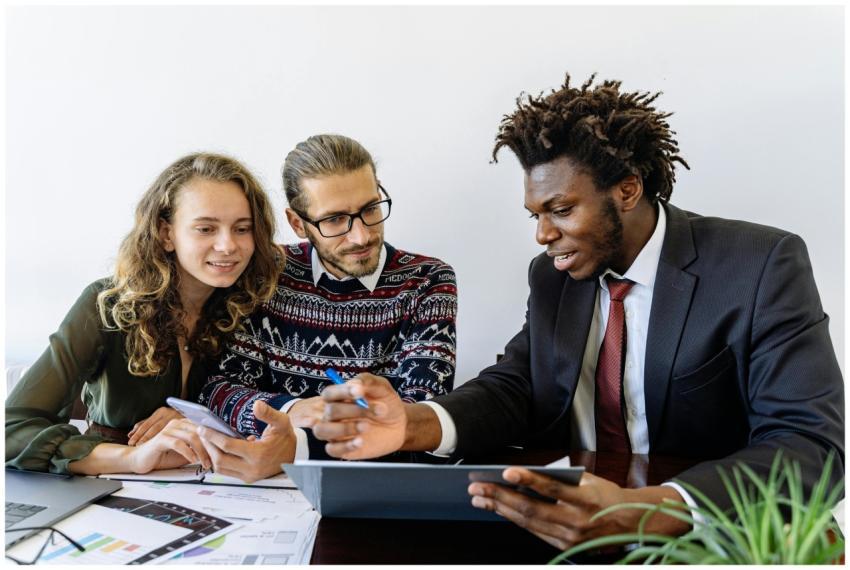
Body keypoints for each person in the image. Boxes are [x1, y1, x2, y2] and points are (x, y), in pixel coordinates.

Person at [308, 75, 845, 550]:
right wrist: (413, 425)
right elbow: (517, 386)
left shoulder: (760, 265)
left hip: (704, 538)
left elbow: (810, 444)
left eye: (561, 210)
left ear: (628, 190)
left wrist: (652, 510)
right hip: (560, 529)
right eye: (536, 215)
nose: (543, 235)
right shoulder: (553, 276)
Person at [195, 134, 458, 481]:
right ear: (298, 224)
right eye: (334, 220)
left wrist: (294, 445)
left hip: (378, 486)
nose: (361, 236)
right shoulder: (265, 273)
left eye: (370, 209)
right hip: (271, 486)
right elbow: (218, 390)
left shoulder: (428, 281)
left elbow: (420, 419)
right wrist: (293, 409)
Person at [5, 152, 282, 476]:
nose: (228, 245)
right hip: (116, 481)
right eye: (206, 229)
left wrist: (199, 417)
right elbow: (11, 431)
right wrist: (134, 458)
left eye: (242, 228)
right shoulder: (107, 304)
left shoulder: (257, 303)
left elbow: (278, 408)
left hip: (229, 483)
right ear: (166, 234)